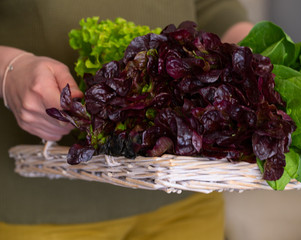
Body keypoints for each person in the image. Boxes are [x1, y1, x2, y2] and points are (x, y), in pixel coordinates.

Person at [0, 0, 253, 239]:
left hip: (186, 201)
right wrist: (9, 69)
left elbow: (213, 5)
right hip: (41, 211)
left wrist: (251, 51)